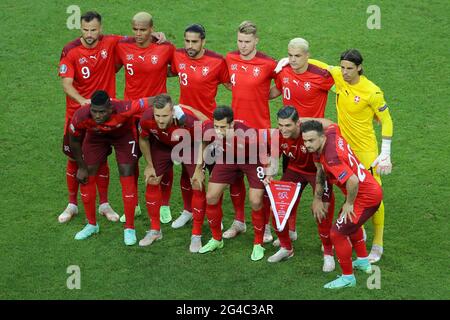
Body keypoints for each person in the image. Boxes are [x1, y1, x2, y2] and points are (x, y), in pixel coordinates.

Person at [307, 50, 394, 263]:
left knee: (374, 194)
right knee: (348, 187)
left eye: (350, 68)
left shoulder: (372, 92)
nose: (345, 72)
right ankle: (357, 230)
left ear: (359, 68)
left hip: (365, 151)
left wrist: (385, 153)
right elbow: (323, 66)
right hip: (343, 146)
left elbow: (387, 120)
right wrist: (289, 60)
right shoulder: (338, 75)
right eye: (343, 67)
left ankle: (378, 243)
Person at [169, 23, 246, 230]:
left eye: (194, 41)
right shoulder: (177, 56)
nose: (190, 46)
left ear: (203, 41)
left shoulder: (217, 61)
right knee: (187, 171)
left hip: (210, 126)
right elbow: (167, 69)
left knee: (216, 173)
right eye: (187, 41)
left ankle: (219, 217)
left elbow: (234, 85)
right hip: (184, 123)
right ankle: (188, 210)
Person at [301, 120, 383, 289]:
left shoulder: (332, 158)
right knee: (349, 224)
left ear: (321, 137)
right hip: (369, 190)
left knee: (337, 233)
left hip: (365, 197)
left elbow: (352, 181)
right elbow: (331, 125)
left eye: (311, 141)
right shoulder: (331, 133)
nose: (307, 145)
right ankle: (363, 261)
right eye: (305, 140)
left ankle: (348, 278)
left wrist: (350, 203)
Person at [270, 37, 335, 244]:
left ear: (308, 55)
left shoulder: (322, 76)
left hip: (314, 141)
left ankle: (346, 232)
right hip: (291, 139)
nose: (293, 60)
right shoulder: (284, 71)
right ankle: (290, 230)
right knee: (291, 189)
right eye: (289, 55)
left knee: (324, 185)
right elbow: (277, 90)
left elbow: (343, 88)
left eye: (298, 56)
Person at [58, 11, 120, 223]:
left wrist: (158, 35)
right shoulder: (70, 50)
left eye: (93, 30)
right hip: (76, 115)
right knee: (74, 158)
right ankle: (72, 204)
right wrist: (82, 100)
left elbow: (136, 41)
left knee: (101, 159)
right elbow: (66, 84)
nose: (90, 34)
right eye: (85, 30)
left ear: (100, 28)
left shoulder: (111, 42)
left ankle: (104, 204)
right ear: (80, 28)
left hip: (102, 115)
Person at [69, 90, 152, 245]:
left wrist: (175, 110)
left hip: (123, 136)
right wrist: (81, 166)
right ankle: (91, 225)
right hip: (96, 138)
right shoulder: (82, 115)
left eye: (101, 112)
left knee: (127, 172)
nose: (97, 116)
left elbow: (152, 100)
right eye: (94, 111)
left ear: (110, 108)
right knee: (87, 176)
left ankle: (129, 228)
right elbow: (73, 141)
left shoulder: (125, 107)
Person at [115, 12, 176, 224]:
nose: (139, 34)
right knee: (131, 162)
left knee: (164, 161)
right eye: (135, 29)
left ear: (152, 28)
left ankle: (165, 205)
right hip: (131, 115)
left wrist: (165, 39)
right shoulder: (122, 46)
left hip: (158, 115)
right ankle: (135, 205)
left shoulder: (166, 48)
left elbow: (176, 69)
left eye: (143, 29)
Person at [263, 107, 335, 272]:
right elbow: (274, 160)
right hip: (295, 171)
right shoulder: (277, 135)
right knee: (277, 207)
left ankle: (328, 253)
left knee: (322, 211)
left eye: (288, 125)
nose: (283, 129)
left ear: (298, 124)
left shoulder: (308, 132)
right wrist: (270, 174)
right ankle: (286, 248)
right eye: (280, 125)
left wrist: (317, 199)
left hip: (318, 171)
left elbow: (331, 124)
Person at [224, 21, 277, 242]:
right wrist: (244, 90)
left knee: (262, 182)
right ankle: (239, 221)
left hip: (260, 132)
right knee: (235, 178)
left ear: (256, 41)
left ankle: (265, 227)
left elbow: (282, 85)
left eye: (247, 42)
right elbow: (228, 82)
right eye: (239, 41)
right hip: (235, 132)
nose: (243, 46)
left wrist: (262, 93)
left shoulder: (268, 63)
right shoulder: (230, 58)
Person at [199, 106, 270, 261]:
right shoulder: (210, 128)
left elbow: (268, 148)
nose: (218, 131)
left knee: (256, 200)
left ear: (232, 124)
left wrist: (268, 171)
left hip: (252, 160)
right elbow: (204, 142)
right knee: (211, 197)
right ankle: (217, 239)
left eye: (222, 127)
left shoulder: (248, 135)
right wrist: (199, 167)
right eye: (216, 126)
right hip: (228, 159)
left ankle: (258, 243)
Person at [138, 94, 208, 252]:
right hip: (163, 146)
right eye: (158, 115)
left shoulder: (188, 121)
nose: (160, 120)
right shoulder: (146, 118)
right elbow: (143, 139)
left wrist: (198, 168)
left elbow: (204, 138)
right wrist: (149, 165)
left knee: (197, 183)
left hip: (190, 145)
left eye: (165, 116)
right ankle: (155, 230)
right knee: (152, 179)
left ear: (173, 112)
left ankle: (196, 235)